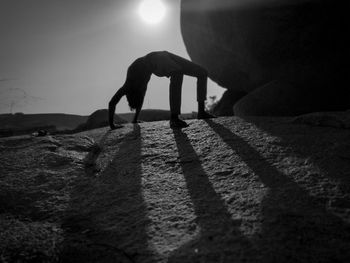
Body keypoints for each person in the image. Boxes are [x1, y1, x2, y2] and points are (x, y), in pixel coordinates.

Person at [108, 51, 215, 129]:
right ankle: (174, 118)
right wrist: (135, 120)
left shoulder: (128, 86)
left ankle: (201, 112)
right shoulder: (140, 89)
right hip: (160, 58)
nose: (141, 97)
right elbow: (139, 101)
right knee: (177, 73)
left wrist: (112, 125)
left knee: (202, 72)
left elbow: (112, 103)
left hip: (157, 58)